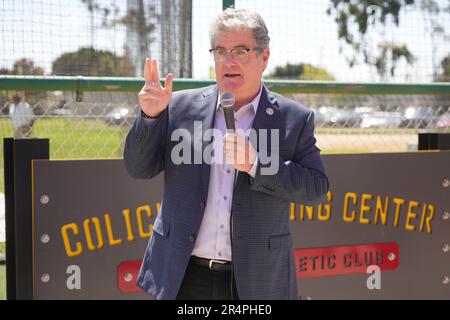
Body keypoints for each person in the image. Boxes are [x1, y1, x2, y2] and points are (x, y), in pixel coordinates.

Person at [124, 8, 329, 300]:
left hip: (254, 279)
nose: (229, 61)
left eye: (241, 51)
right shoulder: (180, 108)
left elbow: (316, 188)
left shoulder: (293, 119)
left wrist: (257, 164)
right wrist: (150, 117)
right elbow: (137, 168)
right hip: (183, 275)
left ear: (264, 57)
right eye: (221, 50)